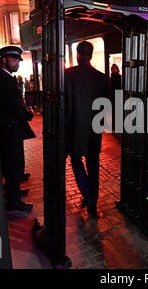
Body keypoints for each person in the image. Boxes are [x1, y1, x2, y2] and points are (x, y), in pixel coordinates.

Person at [64, 41, 109, 217]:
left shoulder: (68, 75)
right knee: (93, 163)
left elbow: (64, 104)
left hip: (75, 127)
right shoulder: (102, 77)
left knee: (76, 160)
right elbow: (106, 106)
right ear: (91, 54)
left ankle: (87, 191)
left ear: (77, 54)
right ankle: (92, 199)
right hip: (94, 128)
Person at [0, 46, 35, 216]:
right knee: (12, 163)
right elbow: (12, 104)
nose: (17, 63)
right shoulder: (2, 79)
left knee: (15, 163)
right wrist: (27, 114)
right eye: (14, 59)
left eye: (18, 60)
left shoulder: (7, 78)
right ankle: (14, 201)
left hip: (11, 128)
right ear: (4, 60)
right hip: (9, 129)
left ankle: (14, 191)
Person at [109, 64, 122, 131]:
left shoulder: (120, 77)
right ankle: (114, 127)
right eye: (113, 68)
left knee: (118, 112)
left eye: (115, 68)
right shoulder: (110, 78)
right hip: (113, 97)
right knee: (113, 113)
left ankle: (118, 126)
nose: (114, 69)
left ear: (117, 69)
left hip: (118, 96)